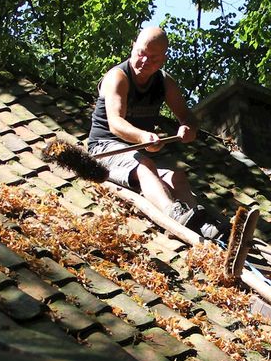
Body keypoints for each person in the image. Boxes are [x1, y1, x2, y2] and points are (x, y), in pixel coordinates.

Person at [87, 26, 226, 240]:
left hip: (135, 155)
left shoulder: (164, 82)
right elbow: (115, 123)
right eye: (141, 53)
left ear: (163, 59)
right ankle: (174, 214)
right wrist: (142, 137)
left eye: (153, 58)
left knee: (177, 177)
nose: (144, 61)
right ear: (133, 47)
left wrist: (188, 128)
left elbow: (187, 116)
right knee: (145, 165)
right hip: (104, 151)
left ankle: (202, 224)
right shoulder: (118, 77)